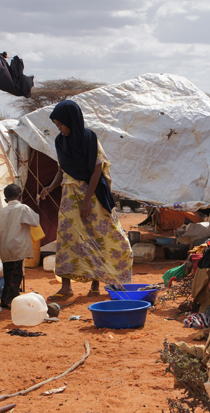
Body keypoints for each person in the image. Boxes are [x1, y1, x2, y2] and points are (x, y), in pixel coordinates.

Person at [40, 100, 132, 300]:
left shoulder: (89, 138)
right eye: (56, 125)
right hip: (69, 197)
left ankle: (96, 284)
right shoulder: (59, 142)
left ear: (72, 120)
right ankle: (66, 287)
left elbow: (97, 170)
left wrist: (86, 201)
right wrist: (51, 186)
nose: (59, 129)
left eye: (61, 124)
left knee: (97, 236)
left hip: (92, 196)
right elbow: (61, 170)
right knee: (67, 239)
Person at [0, 183, 40, 308]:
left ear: (6, 199)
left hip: (5, 247)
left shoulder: (3, 211)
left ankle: (12, 297)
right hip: (17, 247)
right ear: (20, 196)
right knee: (15, 274)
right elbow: (35, 222)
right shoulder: (22, 208)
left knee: (10, 273)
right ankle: (8, 300)